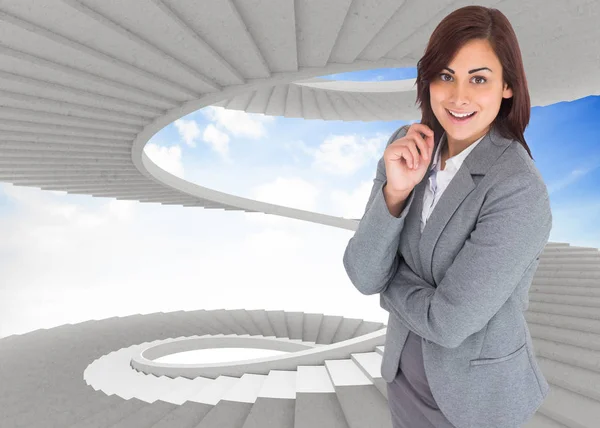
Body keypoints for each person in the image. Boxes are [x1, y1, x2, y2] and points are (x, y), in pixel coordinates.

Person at [343, 5, 552, 428]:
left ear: (507, 86)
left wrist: (390, 287)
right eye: (445, 75)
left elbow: (448, 322)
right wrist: (396, 192)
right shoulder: (406, 146)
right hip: (403, 379)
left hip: (474, 403)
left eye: (479, 78)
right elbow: (363, 274)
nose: (459, 97)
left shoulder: (517, 189)